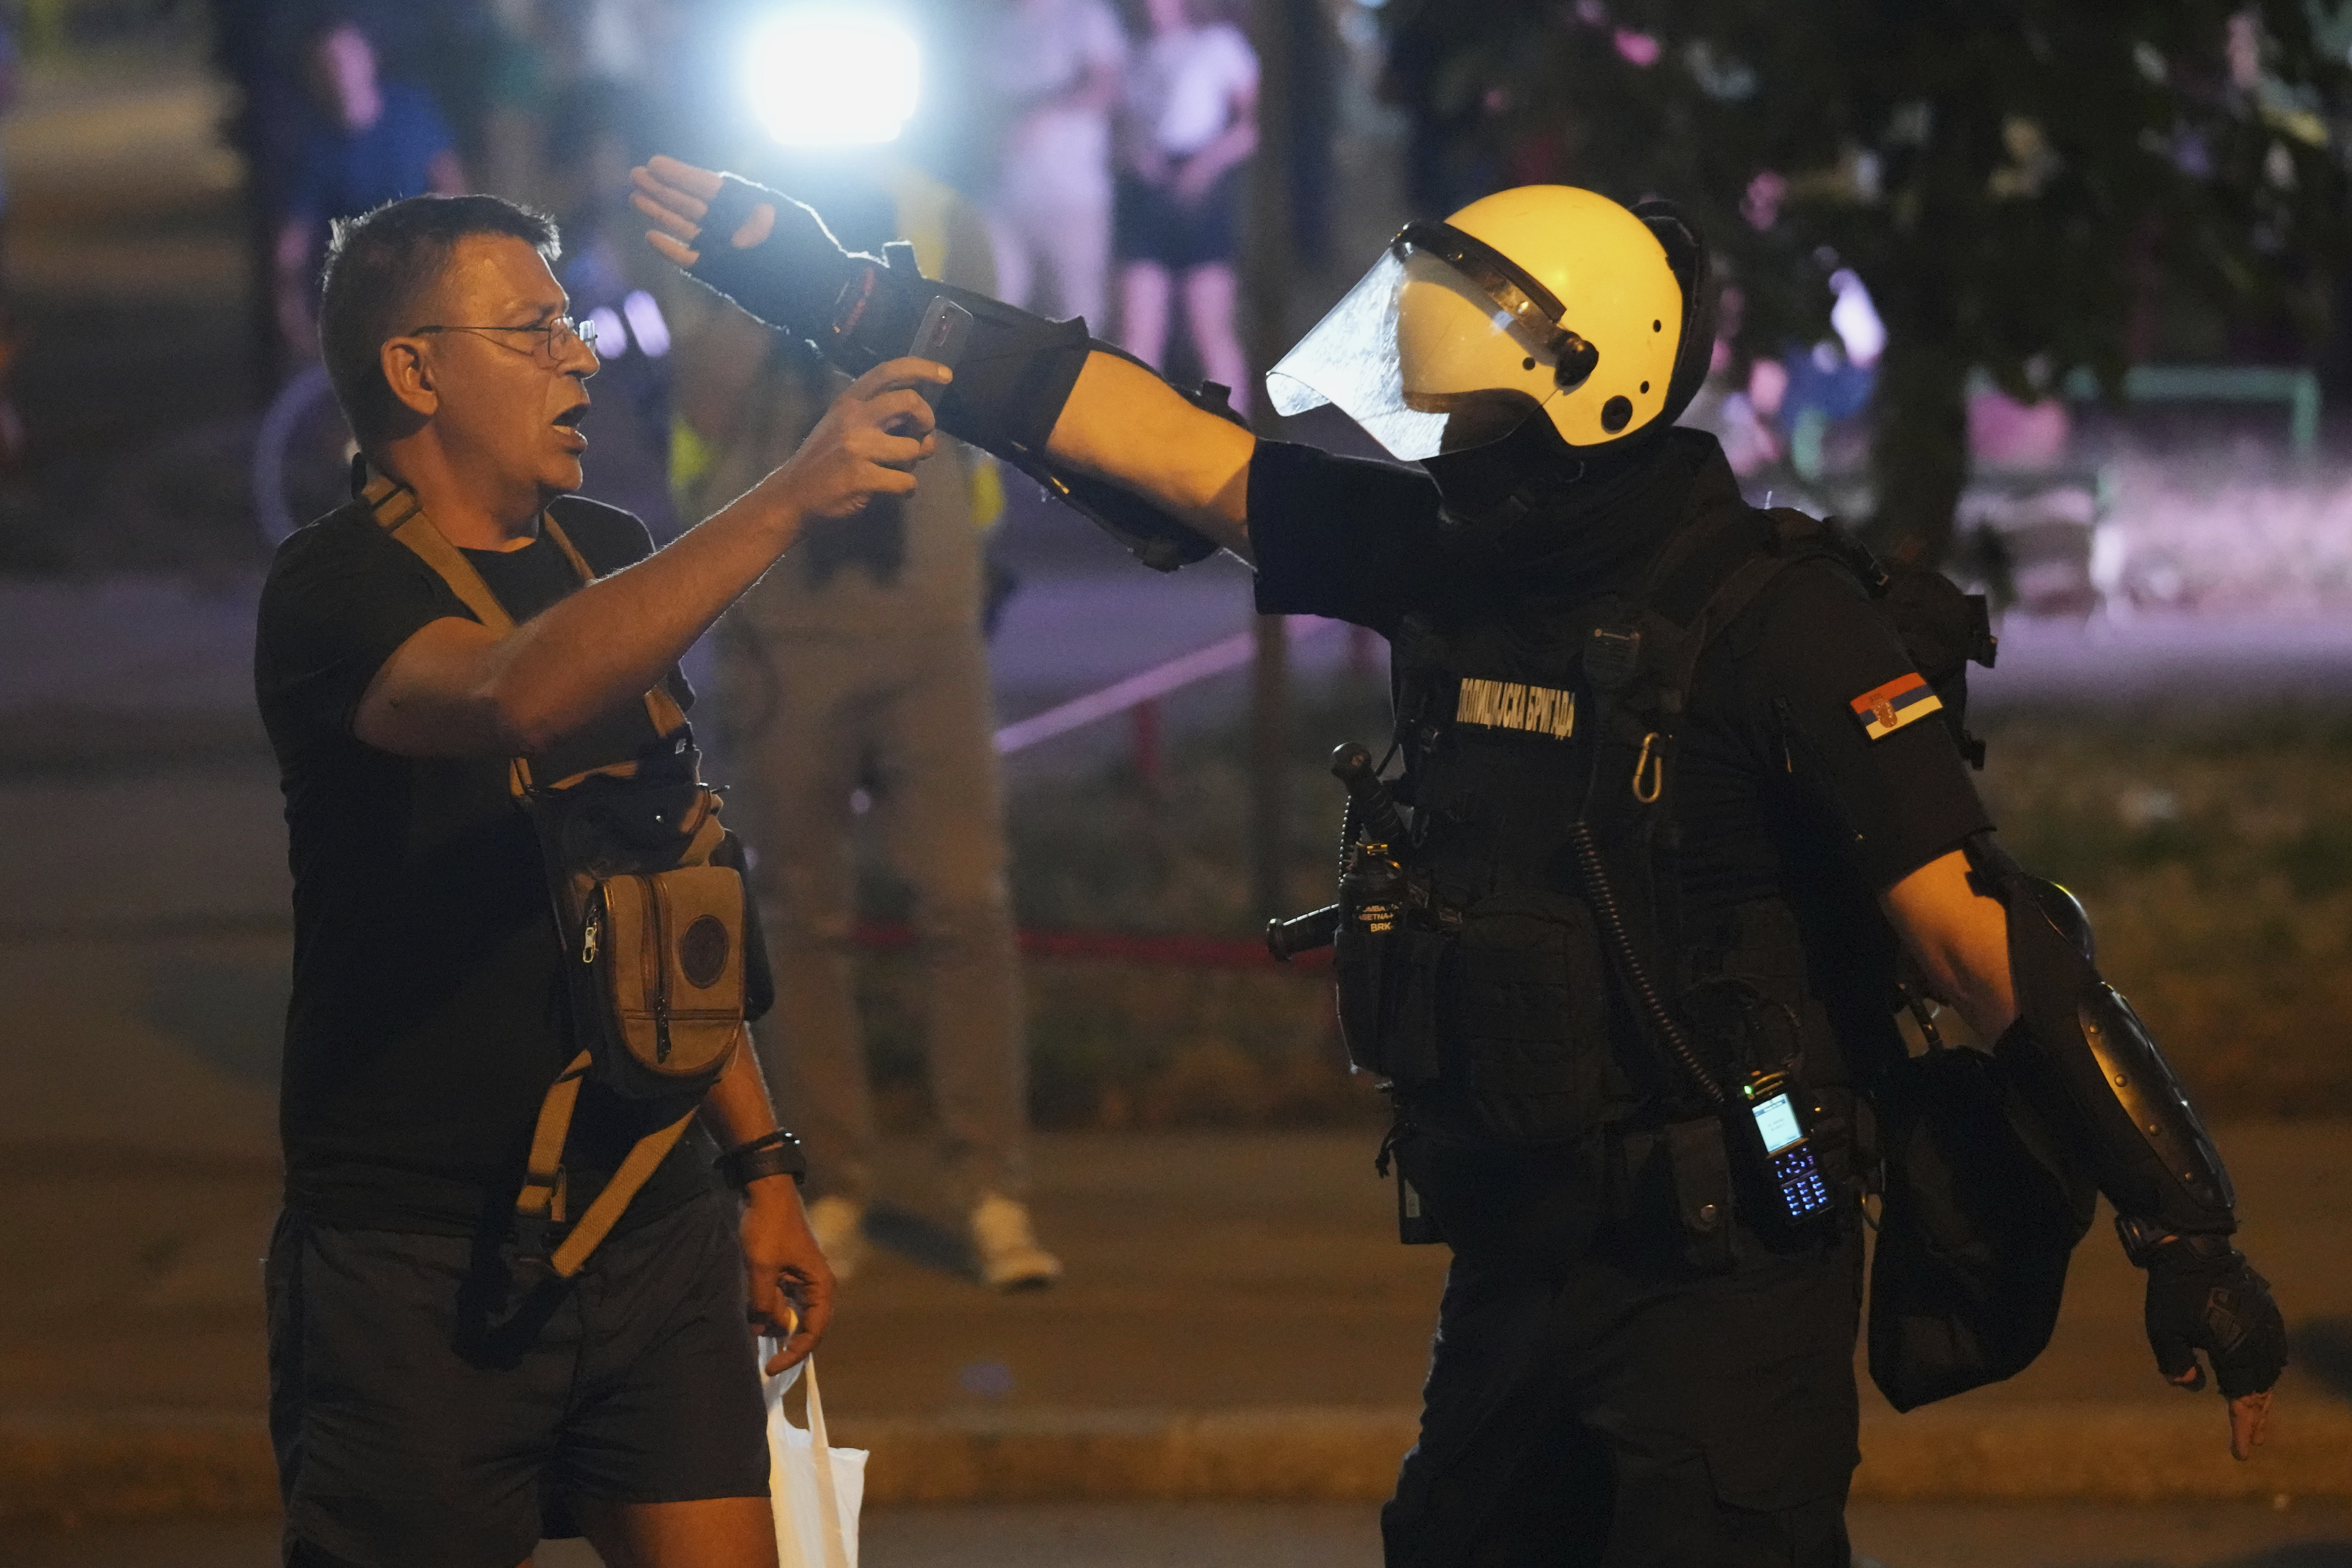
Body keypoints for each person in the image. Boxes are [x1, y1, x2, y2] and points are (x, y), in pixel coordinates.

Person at [631, 159, 2289, 1566]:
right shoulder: (1458, 556)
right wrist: (834, 289)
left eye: (1471, 349)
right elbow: (1163, 445)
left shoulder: (1778, 611)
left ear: (1585, 366)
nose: (1432, 386)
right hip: (1518, 1248)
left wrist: (2185, 1222)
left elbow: (1979, 933)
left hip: (1740, 1246)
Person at [256, 191, 946, 1568]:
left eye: (571, 323)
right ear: (414, 369)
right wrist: (793, 492)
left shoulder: (609, 555)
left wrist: (758, 1168)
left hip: (651, 1221)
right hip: (419, 1260)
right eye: (534, 330)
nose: (580, 357)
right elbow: (514, 691)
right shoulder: (334, 591)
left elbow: (673, 876)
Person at [668, 159, 1062, 1290]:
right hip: (779, 625)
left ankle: (989, 1188)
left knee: (964, 900)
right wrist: (780, 278)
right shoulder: (716, 217)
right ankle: (826, 1178)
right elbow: (703, 403)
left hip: (926, 610)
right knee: (799, 913)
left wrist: (875, 284)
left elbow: (1001, 404)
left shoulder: (943, 217)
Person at [273, 18, 468, 365]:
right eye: (327, 63)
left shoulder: (412, 111)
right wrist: (290, 307)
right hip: (363, 285)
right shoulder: (313, 146)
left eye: (347, 58)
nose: (339, 72)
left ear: (369, 59)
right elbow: (294, 241)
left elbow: (450, 182)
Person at [1113, 0, 1257, 409]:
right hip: (1146, 192)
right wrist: (1136, 155)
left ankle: (1236, 435)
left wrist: (1204, 165)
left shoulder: (1219, 45)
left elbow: (1247, 130)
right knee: (1138, 331)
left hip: (1202, 193)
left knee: (1208, 328)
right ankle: (1131, 440)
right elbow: (1122, 127)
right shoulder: (1134, 51)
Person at [980, 0, 1128, 329]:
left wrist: (1042, 114)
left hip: (1071, 197)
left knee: (1076, 316)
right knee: (991, 304)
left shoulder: (1085, 15)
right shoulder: (993, 23)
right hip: (1003, 198)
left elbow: (1107, 85)